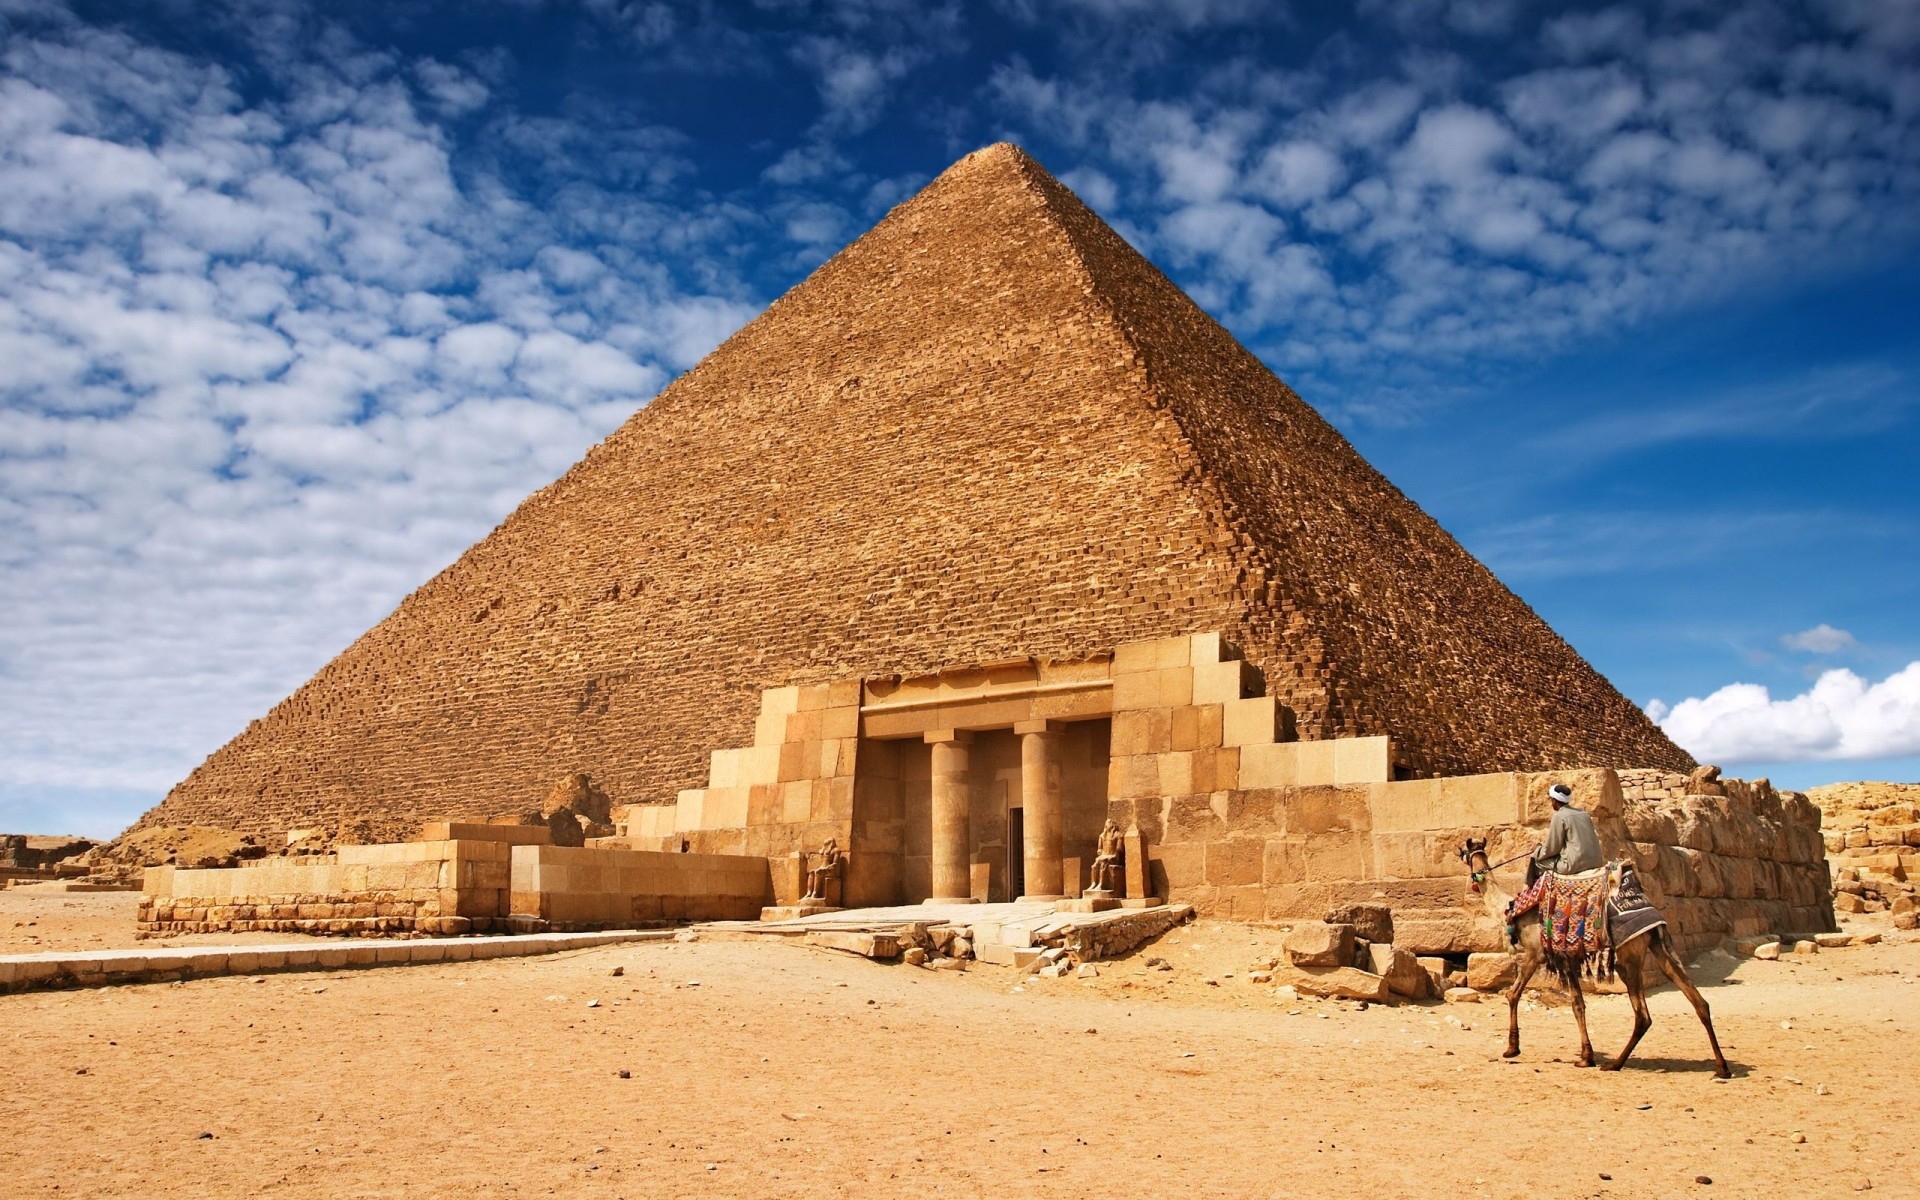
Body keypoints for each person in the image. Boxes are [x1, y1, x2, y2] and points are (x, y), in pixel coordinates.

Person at [1533, 783, 1603, 877]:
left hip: (1574, 865)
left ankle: (1530, 889)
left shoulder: (1559, 816)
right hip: (1596, 861)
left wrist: (1537, 850)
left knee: (1537, 860)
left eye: (1551, 800)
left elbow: (1552, 848)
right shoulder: (1584, 814)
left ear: (1554, 800)